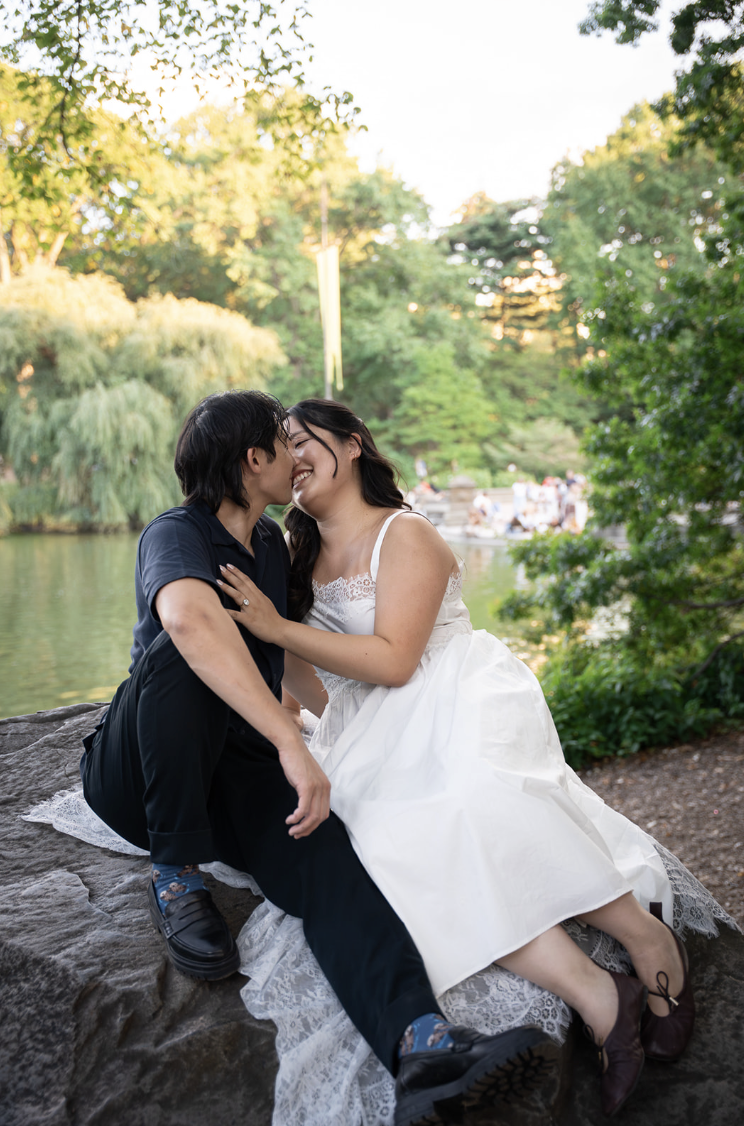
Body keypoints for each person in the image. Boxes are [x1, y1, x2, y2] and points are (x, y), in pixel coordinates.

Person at [78, 389, 559, 1126]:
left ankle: (422, 1049)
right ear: (253, 459)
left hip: (233, 774)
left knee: (328, 854)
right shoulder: (176, 533)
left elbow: (294, 653)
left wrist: (340, 739)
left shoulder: (271, 546)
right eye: (283, 441)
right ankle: (175, 874)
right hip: (141, 773)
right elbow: (184, 617)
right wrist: (286, 739)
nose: (296, 455)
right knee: (186, 642)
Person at [220, 398, 700, 1120]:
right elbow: (316, 680)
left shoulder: (404, 534)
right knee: (387, 852)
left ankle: (641, 932)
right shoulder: (295, 558)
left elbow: (395, 660)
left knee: (473, 807)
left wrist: (275, 624)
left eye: (302, 439)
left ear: (351, 445)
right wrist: (281, 680)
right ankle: (602, 997)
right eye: (282, 448)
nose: (293, 457)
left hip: (454, 695)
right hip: (375, 727)